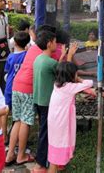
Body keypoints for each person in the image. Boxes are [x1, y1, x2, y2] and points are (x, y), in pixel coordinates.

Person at [9, 25, 57, 166]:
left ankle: (10, 154)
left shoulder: (32, 47)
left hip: (17, 84)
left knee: (17, 120)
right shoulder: (47, 53)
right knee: (26, 122)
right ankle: (21, 156)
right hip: (28, 88)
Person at [30, 32, 78, 171]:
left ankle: (48, 162)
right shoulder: (50, 62)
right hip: (47, 103)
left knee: (43, 131)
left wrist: (63, 56)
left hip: (38, 100)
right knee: (47, 134)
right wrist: (69, 56)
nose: (56, 45)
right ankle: (41, 164)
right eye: (55, 42)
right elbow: (66, 74)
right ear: (49, 43)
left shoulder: (39, 59)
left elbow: (56, 67)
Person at [47, 62, 93, 173]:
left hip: (54, 120)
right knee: (58, 147)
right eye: (76, 74)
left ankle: (57, 166)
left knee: (55, 144)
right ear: (71, 76)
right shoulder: (70, 87)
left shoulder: (57, 84)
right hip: (61, 122)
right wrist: (80, 80)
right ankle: (53, 169)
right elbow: (89, 83)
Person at [3, 31, 30, 140]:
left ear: (14, 43)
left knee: (5, 110)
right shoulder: (27, 56)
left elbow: (7, 71)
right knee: (20, 114)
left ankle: (4, 135)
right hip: (21, 88)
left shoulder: (10, 56)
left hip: (9, 86)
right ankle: (18, 137)